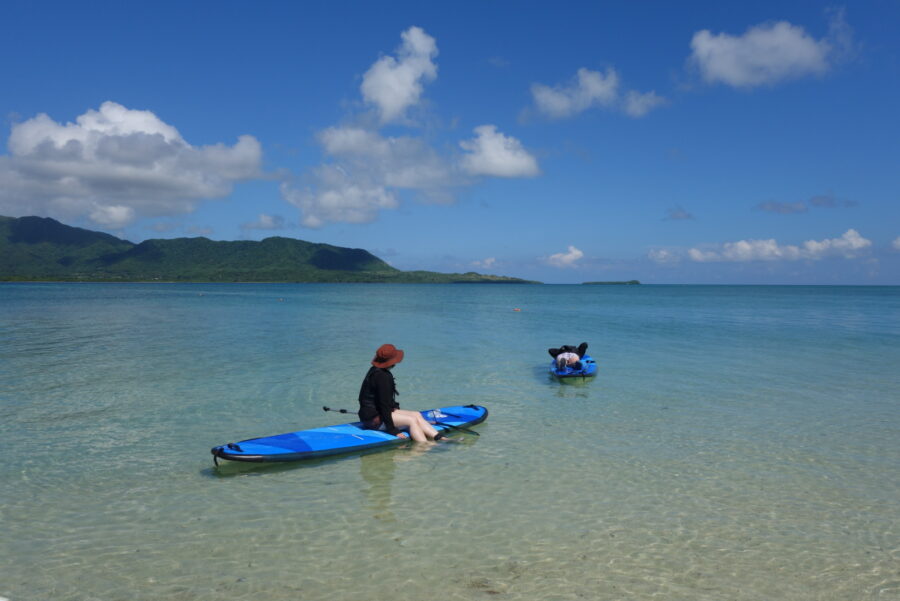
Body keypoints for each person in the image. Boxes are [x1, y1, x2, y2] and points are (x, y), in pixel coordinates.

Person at [358, 343, 444, 443]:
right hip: (373, 420)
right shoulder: (383, 377)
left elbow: (380, 402)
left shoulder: (375, 371)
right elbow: (383, 405)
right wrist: (392, 429)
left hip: (373, 414)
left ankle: (440, 438)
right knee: (412, 421)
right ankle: (426, 446)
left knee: (416, 414)